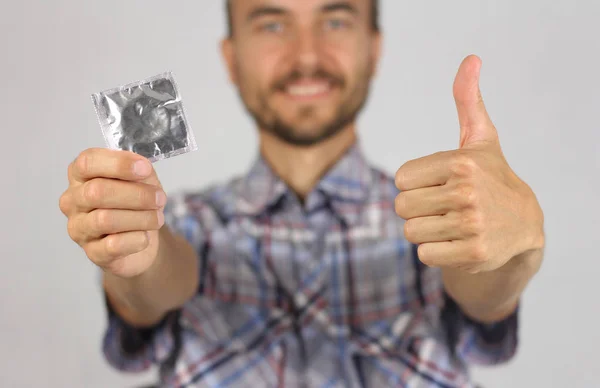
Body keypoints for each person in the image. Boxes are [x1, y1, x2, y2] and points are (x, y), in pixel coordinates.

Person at [59, 0, 545, 386]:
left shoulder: (436, 212)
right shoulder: (181, 220)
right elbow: (159, 278)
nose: (307, 56)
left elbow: (481, 295)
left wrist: (518, 249)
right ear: (231, 59)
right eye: (272, 24)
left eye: (334, 20)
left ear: (374, 49)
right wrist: (135, 243)